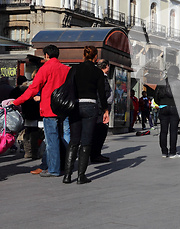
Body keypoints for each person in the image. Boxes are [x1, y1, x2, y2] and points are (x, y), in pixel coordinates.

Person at [12, 45, 70, 178]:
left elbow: (33, 89)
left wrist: (16, 101)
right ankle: (61, 165)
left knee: (52, 139)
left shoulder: (46, 68)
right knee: (61, 137)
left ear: (46, 55)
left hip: (49, 108)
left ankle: (54, 169)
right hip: (63, 108)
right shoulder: (66, 69)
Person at [63, 46, 109, 184]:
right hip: (90, 106)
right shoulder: (97, 72)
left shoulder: (74, 69)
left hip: (75, 106)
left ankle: (67, 175)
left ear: (84, 55)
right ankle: (81, 176)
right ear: (95, 57)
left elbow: (68, 87)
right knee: (86, 141)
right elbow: (101, 94)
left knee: (73, 141)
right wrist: (105, 110)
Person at [154, 65, 180, 159]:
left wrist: (162, 103)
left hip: (163, 107)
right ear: (177, 73)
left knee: (163, 131)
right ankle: (172, 152)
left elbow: (156, 97)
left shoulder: (161, 82)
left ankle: (164, 152)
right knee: (173, 131)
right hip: (175, 107)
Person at [10, 74, 42, 159]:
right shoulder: (33, 90)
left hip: (24, 113)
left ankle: (27, 151)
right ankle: (33, 152)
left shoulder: (16, 90)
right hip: (34, 113)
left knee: (27, 132)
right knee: (33, 133)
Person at [90, 59, 113, 164]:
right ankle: (95, 155)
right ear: (106, 66)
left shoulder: (97, 76)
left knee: (98, 132)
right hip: (101, 110)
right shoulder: (101, 78)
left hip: (100, 108)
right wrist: (104, 109)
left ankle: (95, 154)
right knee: (100, 132)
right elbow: (102, 94)